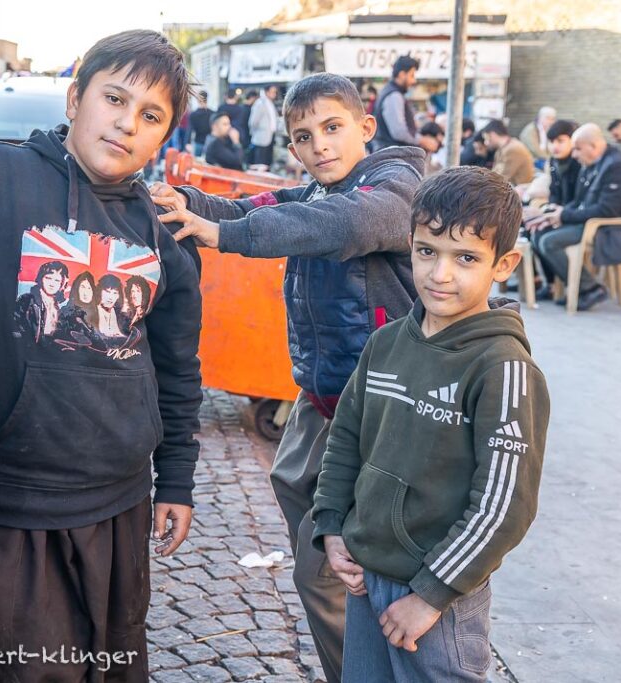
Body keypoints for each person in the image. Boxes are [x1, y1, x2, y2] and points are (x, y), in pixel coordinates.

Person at [0, 30, 203, 682]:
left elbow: (177, 367)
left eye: (150, 115)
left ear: (164, 135)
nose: (126, 123)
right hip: (10, 504)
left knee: (116, 669)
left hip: (119, 501)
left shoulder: (164, 232)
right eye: (114, 98)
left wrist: (176, 479)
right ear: (76, 95)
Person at [152, 72, 424, 682]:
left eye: (333, 129)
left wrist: (227, 234)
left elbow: (344, 227)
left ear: (366, 128)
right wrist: (189, 205)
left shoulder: (394, 186)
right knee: (307, 529)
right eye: (304, 137)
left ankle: (374, 666)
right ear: (292, 148)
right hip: (321, 398)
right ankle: (355, 663)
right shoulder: (314, 192)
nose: (320, 146)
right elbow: (260, 207)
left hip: (382, 411)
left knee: (349, 567)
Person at [312, 165, 550, 682]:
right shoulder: (386, 342)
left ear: (503, 263)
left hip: (442, 599)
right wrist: (331, 525)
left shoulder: (503, 366)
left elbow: (504, 505)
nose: (441, 274)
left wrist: (431, 594)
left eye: (466, 258)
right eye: (427, 251)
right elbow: (346, 440)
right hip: (366, 576)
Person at [527, 123, 621, 311]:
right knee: (539, 233)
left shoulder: (617, 166)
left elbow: (607, 210)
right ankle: (574, 288)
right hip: (591, 222)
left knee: (549, 242)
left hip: (609, 228)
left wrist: (564, 215)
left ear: (594, 146)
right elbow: (579, 201)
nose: (574, 155)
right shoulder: (592, 162)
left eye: (578, 149)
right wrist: (552, 214)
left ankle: (589, 288)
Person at [522, 119, 580, 300]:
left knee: (544, 236)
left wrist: (556, 212)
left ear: (573, 140)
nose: (555, 146)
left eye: (560, 141)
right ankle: (549, 283)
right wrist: (546, 210)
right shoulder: (554, 162)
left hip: (574, 216)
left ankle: (571, 285)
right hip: (560, 212)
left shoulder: (579, 162)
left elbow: (579, 198)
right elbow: (554, 193)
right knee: (531, 227)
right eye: (551, 141)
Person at [372, 55, 420, 151]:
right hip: (392, 157)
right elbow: (399, 132)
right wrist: (422, 140)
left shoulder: (392, 92)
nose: (414, 80)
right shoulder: (394, 95)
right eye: (412, 75)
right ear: (402, 74)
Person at [14, 261, 68, 342]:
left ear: (62, 284)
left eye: (57, 280)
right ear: (41, 278)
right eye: (48, 278)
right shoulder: (27, 300)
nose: (52, 284)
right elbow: (15, 329)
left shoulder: (58, 306)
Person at [481, 119, 535, 185]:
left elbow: (500, 179)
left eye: (486, 138)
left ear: (493, 134)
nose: (486, 143)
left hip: (518, 190)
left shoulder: (513, 149)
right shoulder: (504, 148)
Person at [248, 84, 279, 167]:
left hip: (270, 136)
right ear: (267, 92)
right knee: (259, 163)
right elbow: (253, 122)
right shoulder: (260, 103)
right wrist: (256, 133)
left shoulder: (270, 103)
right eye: (273, 92)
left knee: (266, 163)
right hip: (260, 138)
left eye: (275, 92)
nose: (274, 94)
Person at [188, 90, 214, 157]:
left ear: (197, 99)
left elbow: (189, 130)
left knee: (198, 164)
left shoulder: (193, 114)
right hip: (211, 142)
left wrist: (188, 143)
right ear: (207, 99)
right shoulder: (212, 113)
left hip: (198, 142)